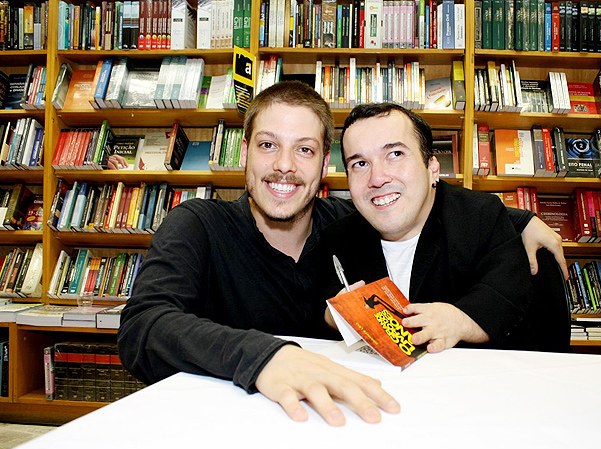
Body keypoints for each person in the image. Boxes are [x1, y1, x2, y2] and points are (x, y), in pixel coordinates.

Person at [118, 81, 564, 426]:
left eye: (305, 150)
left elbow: (416, 199)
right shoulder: (198, 225)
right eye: (268, 144)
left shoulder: (344, 224)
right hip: (228, 432)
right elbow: (143, 327)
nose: (285, 166)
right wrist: (265, 356)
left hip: (342, 426)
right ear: (244, 154)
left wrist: (521, 220)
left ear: (323, 168)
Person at [322, 103, 539, 352]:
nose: (377, 178)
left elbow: (509, 296)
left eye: (395, 154)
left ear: (432, 168)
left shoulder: (481, 217)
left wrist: (461, 321)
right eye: (359, 164)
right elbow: (316, 305)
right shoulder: (338, 237)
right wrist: (334, 317)